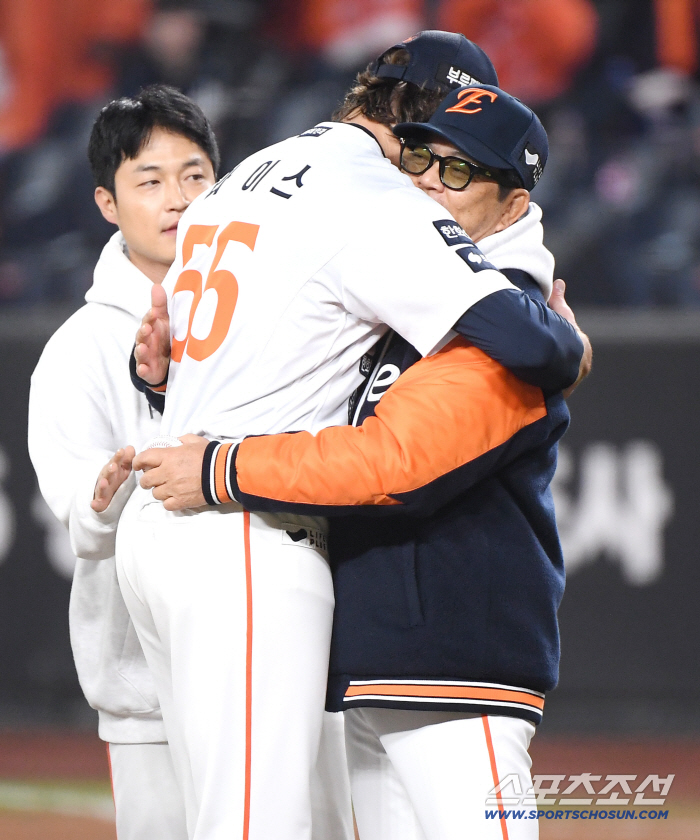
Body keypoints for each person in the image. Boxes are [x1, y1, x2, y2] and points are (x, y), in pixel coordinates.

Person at [118, 32, 587, 840]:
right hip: (241, 530)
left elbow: (391, 447)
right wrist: (569, 344)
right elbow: (534, 343)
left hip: (211, 528)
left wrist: (168, 387)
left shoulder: (249, 174)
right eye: (428, 153)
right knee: (255, 824)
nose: (431, 180)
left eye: (462, 167)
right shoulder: (378, 199)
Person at [28, 84, 219, 840]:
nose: (178, 198)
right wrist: (102, 494)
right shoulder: (79, 347)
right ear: (107, 203)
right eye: (150, 180)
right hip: (146, 690)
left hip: (274, 664)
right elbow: (76, 498)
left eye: (195, 175)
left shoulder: (276, 315)